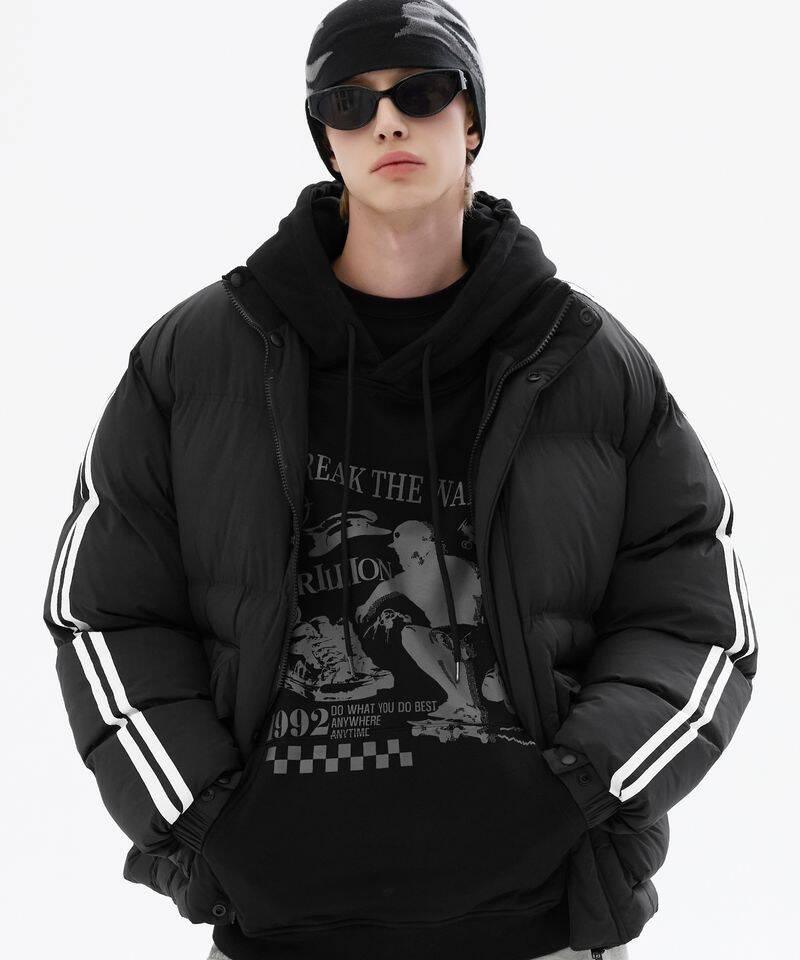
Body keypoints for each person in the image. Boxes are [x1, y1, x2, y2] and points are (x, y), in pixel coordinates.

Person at [42, 1, 758, 959]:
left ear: (472, 122)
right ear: (327, 140)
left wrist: (581, 794)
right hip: (281, 933)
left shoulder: (583, 357)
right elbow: (104, 617)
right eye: (350, 101)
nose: (387, 121)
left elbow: (696, 617)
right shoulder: (198, 358)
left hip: (542, 931)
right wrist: (206, 822)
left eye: (421, 91)